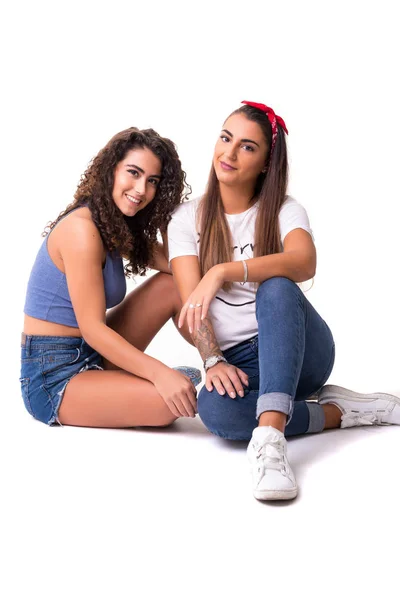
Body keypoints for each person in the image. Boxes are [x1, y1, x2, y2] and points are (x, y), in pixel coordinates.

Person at [167, 101, 400, 501]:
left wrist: (223, 271)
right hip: (242, 363)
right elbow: (192, 306)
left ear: (265, 164)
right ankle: (339, 413)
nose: (229, 152)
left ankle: (271, 439)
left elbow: (304, 262)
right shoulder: (186, 219)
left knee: (277, 284)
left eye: (247, 146)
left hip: (302, 351)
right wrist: (212, 359)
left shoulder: (284, 210)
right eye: (226, 138)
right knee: (214, 411)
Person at [20, 126, 202, 429]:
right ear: (111, 171)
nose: (141, 189)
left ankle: (228, 362)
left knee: (171, 286)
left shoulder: (113, 226)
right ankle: (162, 382)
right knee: (168, 405)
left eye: (152, 181)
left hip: (92, 354)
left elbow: (176, 265)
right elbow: (92, 329)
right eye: (133, 172)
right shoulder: (82, 230)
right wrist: (160, 373)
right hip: (54, 376)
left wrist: (168, 214)